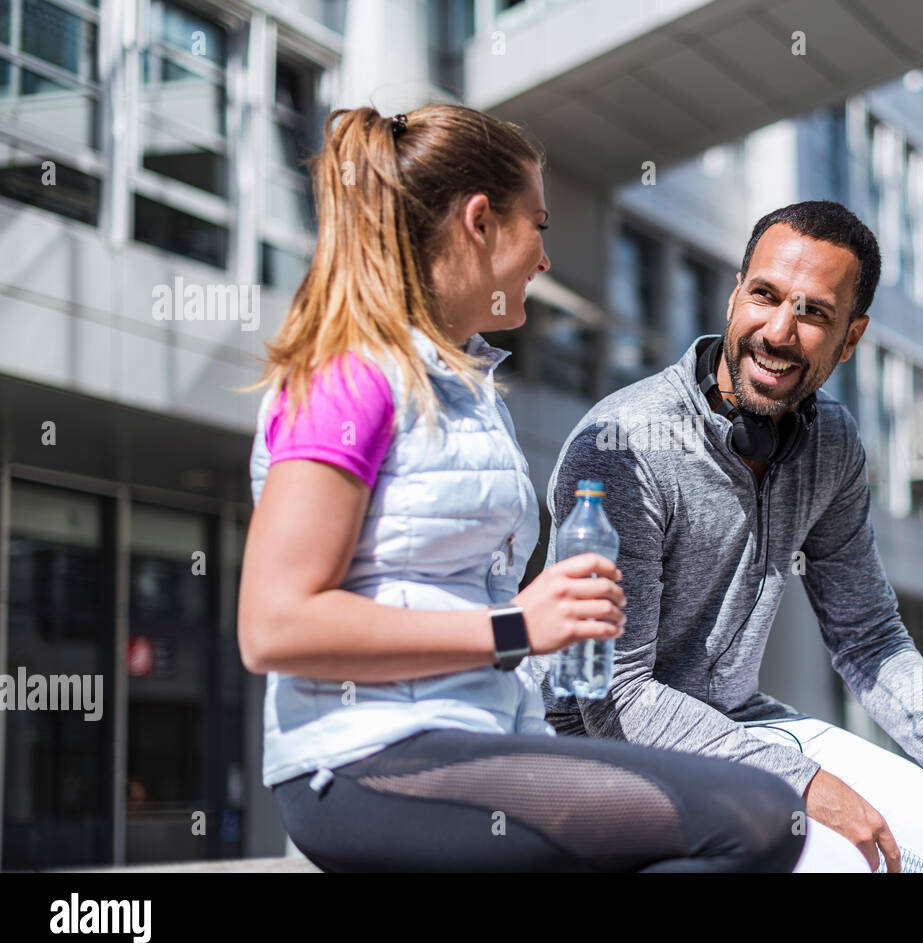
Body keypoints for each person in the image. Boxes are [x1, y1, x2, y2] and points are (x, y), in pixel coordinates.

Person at [235, 103, 806, 872]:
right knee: (758, 815)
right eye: (536, 226)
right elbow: (274, 625)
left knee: (745, 811)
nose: (543, 258)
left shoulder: (462, 386)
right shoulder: (352, 377)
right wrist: (514, 626)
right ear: (479, 221)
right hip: (363, 758)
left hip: (476, 737)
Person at [537, 200, 923, 873]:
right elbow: (612, 696)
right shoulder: (623, 443)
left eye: (815, 312)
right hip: (601, 753)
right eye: (764, 296)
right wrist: (802, 780)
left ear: (851, 337)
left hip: (742, 726)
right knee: (849, 863)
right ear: (734, 296)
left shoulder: (835, 442)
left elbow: (869, 634)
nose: (779, 331)